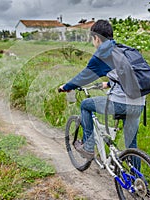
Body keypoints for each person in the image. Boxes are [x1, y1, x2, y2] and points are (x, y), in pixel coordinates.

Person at [59, 19, 145, 159]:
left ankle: (88, 146)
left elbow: (83, 77)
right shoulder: (124, 50)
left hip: (122, 103)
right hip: (140, 103)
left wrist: (66, 87)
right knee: (131, 146)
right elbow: (128, 75)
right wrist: (110, 84)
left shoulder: (102, 55)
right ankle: (137, 180)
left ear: (97, 38)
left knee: (85, 105)